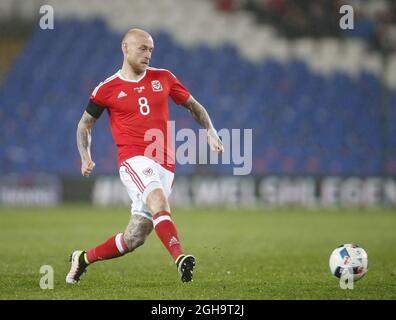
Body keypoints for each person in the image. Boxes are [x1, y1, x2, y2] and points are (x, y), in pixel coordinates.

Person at [65, 28, 224, 284]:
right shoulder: (106, 89)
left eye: (151, 49)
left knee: (134, 237)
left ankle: (82, 259)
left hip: (166, 164)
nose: (148, 54)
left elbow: (193, 105)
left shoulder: (164, 78)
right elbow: (85, 124)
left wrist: (211, 130)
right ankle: (180, 258)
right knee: (158, 201)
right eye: (142, 48)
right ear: (125, 48)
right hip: (134, 159)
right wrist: (85, 155)